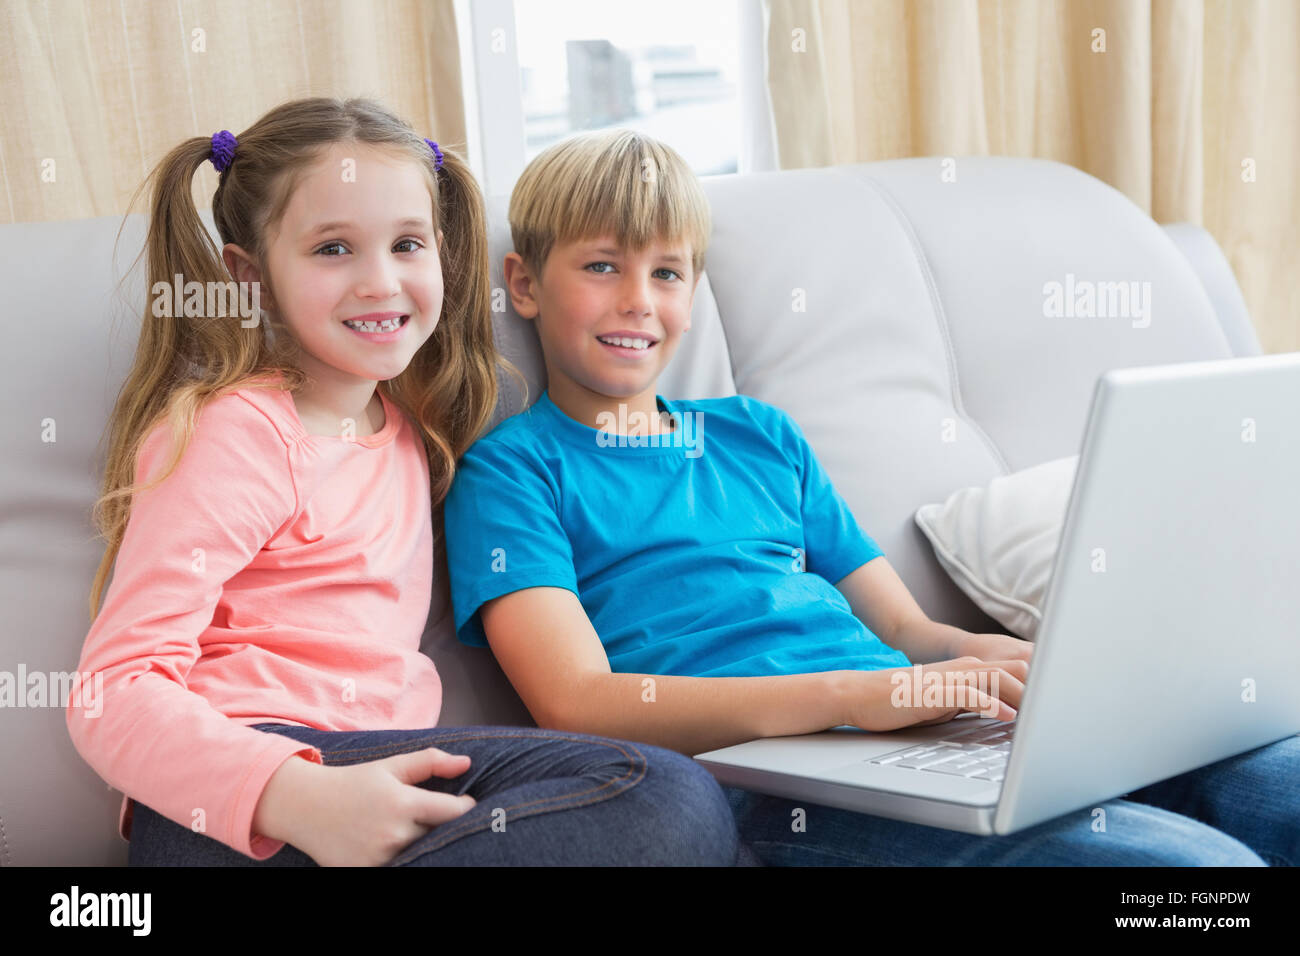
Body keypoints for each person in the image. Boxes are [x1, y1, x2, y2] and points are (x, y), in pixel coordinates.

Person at [441, 127, 1299, 867]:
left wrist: (1006, 665)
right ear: (523, 284)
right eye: (601, 266)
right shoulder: (512, 475)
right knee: (1199, 874)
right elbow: (576, 701)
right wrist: (855, 696)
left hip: (908, 734)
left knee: (1276, 788)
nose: (639, 301)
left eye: (668, 273)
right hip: (767, 776)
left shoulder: (757, 434)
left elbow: (904, 631)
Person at [67, 97, 744, 867]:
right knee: (662, 796)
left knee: (694, 815)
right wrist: (298, 794)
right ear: (249, 277)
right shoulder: (235, 433)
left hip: (375, 774)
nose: (380, 282)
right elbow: (112, 691)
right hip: (235, 808)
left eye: (407, 244)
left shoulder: (412, 434)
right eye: (332, 250)